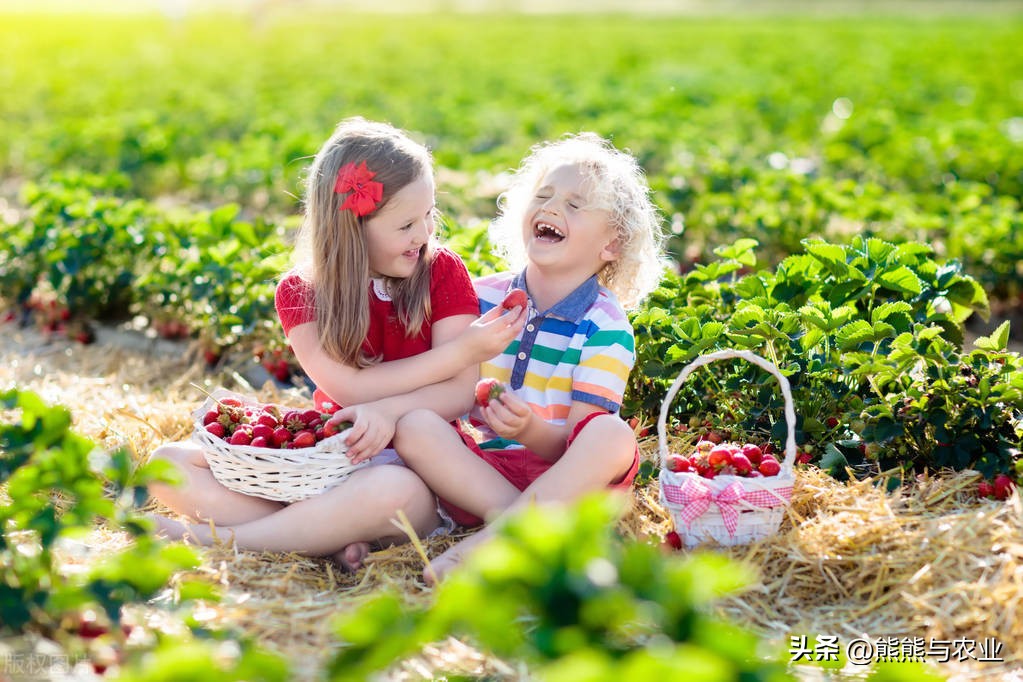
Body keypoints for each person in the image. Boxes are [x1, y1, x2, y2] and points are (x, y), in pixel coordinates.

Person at [149, 118, 525, 570]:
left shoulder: (441, 272)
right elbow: (350, 389)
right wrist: (459, 353)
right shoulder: (300, 293)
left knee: (388, 489)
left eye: (429, 214)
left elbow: (460, 392)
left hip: (417, 473)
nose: (424, 234)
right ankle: (327, 533)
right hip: (329, 463)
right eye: (406, 224)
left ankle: (223, 539)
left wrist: (391, 412)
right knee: (167, 464)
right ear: (351, 228)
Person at [393, 132, 666, 583]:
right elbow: (445, 387)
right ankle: (522, 530)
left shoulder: (606, 326)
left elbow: (576, 444)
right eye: (543, 196)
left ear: (612, 245)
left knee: (611, 436)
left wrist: (528, 430)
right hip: (480, 476)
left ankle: (483, 547)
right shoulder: (480, 297)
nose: (552, 207)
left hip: (564, 479)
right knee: (414, 425)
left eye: (575, 205)